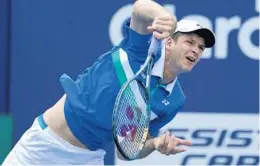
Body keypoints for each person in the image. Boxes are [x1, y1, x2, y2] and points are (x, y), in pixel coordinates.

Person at [2, 0, 215, 165]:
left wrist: (155, 144)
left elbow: (128, 150)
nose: (195, 50)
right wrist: (164, 16)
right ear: (169, 43)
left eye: (201, 47)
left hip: (88, 158)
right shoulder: (140, 52)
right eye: (190, 42)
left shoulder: (174, 100)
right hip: (43, 146)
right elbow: (140, 8)